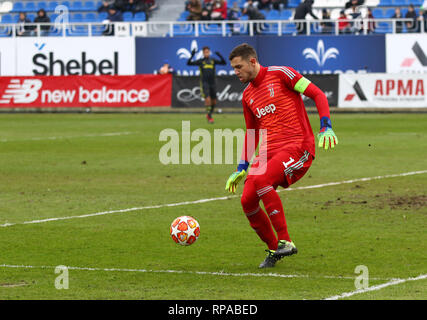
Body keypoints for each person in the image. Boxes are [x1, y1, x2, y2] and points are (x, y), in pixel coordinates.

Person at [226, 43, 338, 268]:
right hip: (269, 152)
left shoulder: (282, 74)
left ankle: (286, 240)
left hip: (298, 147)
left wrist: (325, 125)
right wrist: (241, 167)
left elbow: (317, 94)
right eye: (234, 68)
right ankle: (274, 248)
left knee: (261, 179)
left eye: (239, 67)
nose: (235, 72)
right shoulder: (247, 96)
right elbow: (252, 133)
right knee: (247, 200)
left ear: (253, 62)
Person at [187, 46, 226, 123]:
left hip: (213, 83)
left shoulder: (213, 60)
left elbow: (224, 63)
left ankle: (209, 113)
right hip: (205, 83)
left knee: (214, 102)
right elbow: (189, 63)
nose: (206, 53)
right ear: (203, 53)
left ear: (209, 52)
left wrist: (220, 55)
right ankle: (209, 116)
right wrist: (192, 55)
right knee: (207, 99)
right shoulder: (201, 61)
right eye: (205, 52)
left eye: (207, 52)